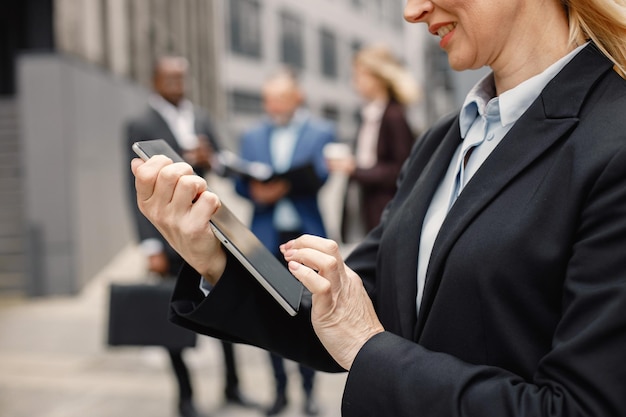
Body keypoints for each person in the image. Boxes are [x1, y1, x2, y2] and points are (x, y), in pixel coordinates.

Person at [131, 1, 626, 416]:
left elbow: (581, 406)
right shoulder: (446, 138)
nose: (413, 11)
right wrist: (212, 255)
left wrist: (371, 350)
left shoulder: (613, 140)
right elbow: (348, 305)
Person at [125, 55, 254, 417]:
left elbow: (224, 161)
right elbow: (129, 186)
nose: (178, 85)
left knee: (225, 305)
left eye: (182, 78)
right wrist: (149, 244)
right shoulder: (140, 122)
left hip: (208, 230)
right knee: (173, 312)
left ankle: (233, 386)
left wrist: (209, 157)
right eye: (170, 79)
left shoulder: (200, 117)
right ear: (155, 81)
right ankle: (185, 397)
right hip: (167, 237)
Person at [233, 69, 336, 416]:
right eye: (268, 99)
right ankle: (279, 392)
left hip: (305, 235)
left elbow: (321, 175)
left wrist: (288, 185)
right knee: (271, 315)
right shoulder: (251, 135)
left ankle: (309, 392)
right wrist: (255, 190)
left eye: (279, 97)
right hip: (265, 237)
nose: (272, 105)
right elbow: (240, 182)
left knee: (309, 315)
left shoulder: (321, 131)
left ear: (297, 98)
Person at [326, 44, 419, 241]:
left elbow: (401, 170)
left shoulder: (394, 116)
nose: (355, 82)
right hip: (365, 207)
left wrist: (355, 169)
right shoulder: (369, 114)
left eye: (359, 75)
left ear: (378, 78)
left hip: (385, 211)